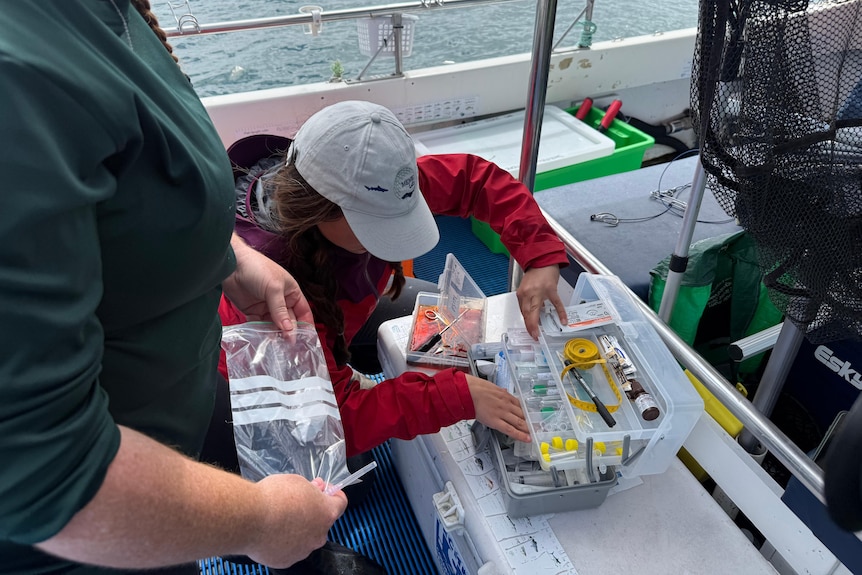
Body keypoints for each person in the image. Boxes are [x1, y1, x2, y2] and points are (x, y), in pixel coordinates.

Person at [0, 2, 348, 573]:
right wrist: (263, 522)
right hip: (94, 541)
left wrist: (227, 257)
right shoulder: (17, 76)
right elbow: (46, 473)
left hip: (160, 457)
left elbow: (128, 191)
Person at [219, 100, 570, 458]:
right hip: (256, 376)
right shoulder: (270, 285)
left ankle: (341, 370)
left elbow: (477, 180)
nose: (395, 237)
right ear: (319, 209)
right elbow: (336, 422)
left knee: (436, 319)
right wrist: (455, 397)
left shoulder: (378, 188)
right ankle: (335, 378)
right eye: (376, 226)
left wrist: (539, 255)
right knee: (351, 471)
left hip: (339, 321)